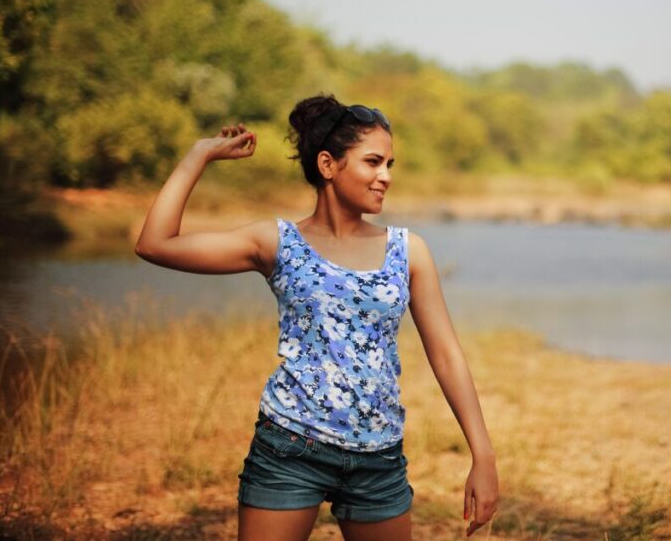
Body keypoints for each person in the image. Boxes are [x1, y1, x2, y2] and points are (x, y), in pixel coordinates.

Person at [135, 95, 499, 540]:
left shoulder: (408, 250)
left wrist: (483, 455)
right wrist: (200, 155)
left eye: (390, 164)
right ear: (328, 165)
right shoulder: (276, 242)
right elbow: (154, 243)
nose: (386, 176)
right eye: (372, 162)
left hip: (377, 458)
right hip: (290, 449)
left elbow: (445, 354)